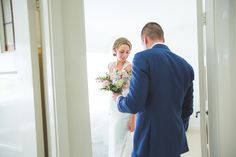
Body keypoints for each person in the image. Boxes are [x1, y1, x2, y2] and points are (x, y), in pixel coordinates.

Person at [113, 22, 194, 157]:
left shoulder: (142, 58)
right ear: (163, 39)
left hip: (148, 141)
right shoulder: (186, 66)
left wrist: (118, 99)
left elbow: (135, 103)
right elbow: (187, 110)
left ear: (145, 40)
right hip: (173, 139)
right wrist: (177, 130)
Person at [108, 37, 135, 157]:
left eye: (127, 52)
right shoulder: (110, 65)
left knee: (122, 136)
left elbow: (134, 91)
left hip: (125, 104)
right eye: (122, 51)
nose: (125, 55)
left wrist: (133, 118)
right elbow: (110, 83)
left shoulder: (130, 67)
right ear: (115, 50)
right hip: (113, 103)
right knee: (114, 134)